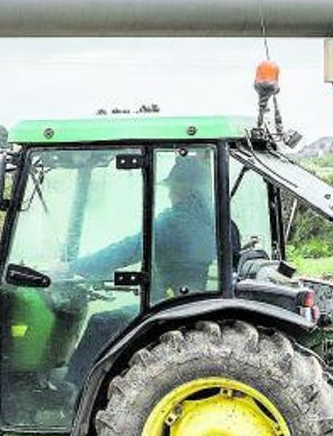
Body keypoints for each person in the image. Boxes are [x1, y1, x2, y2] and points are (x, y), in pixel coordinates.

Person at [63, 153, 218, 383]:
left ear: (186, 189)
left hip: (169, 305)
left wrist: (73, 268)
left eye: (173, 187)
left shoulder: (173, 221)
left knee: (100, 323)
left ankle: (73, 394)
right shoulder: (217, 221)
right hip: (191, 300)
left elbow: (128, 249)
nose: (170, 193)